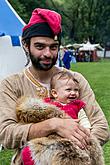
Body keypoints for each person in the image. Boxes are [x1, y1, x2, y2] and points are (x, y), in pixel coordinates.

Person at [0, 8, 109, 165]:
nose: (48, 53)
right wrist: (53, 125)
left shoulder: (75, 80)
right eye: (40, 46)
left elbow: (101, 126)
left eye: (53, 47)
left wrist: (71, 151)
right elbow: (6, 134)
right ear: (25, 45)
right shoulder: (11, 84)